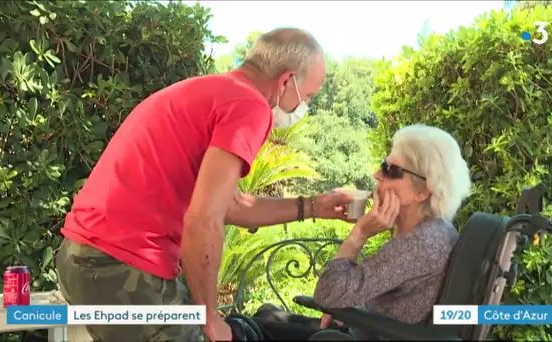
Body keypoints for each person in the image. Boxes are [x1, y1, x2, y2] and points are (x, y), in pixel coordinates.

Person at [54, 27, 355, 342]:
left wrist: (314, 206)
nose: (304, 107)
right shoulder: (250, 106)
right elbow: (204, 219)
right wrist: (209, 318)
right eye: (308, 96)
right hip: (126, 265)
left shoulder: (210, 90)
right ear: (285, 81)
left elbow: (232, 205)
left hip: (84, 258)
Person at [245, 124, 472, 341]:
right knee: (266, 314)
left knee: (248, 328)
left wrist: (360, 232)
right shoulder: (434, 232)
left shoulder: (419, 244)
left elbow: (327, 294)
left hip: (358, 335)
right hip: (358, 327)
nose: (376, 174)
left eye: (390, 169)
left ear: (422, 191)